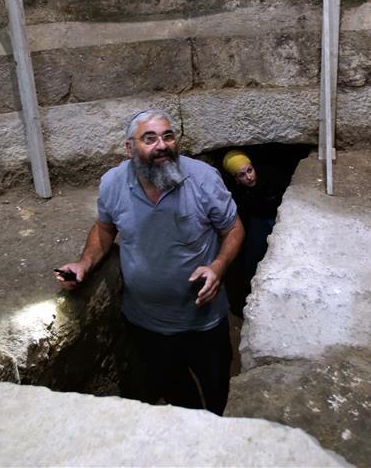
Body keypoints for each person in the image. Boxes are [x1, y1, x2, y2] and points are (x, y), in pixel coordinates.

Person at [55, 109, 244, 415]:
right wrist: (84, 264)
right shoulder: (114, 183)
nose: (162, 145)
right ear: (129, 148)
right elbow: (105, 228)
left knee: (216, 390)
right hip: (146, 323)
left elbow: (233, 227)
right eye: (150, 138)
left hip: (203, 324)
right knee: (173, 389)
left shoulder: (203, 179)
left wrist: (218, 267)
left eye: (168, 136)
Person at [221, 149, 288, 318]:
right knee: (252, 259)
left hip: (277, 218)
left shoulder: (273, 177)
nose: (249, 177)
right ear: (236, 179)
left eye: (249, 170)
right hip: (257, 222)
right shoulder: (237, 194)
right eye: (242, 175)